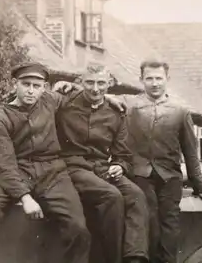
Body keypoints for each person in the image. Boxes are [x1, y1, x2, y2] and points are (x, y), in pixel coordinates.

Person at [54, 58, 202, 263]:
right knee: (147, 219)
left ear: (167, 79)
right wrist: (72, 86)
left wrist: (200, 186)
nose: (155, 83)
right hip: (139, 173)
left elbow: (191, 152)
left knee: (170, 227)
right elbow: (97, 91)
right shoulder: (129, 103)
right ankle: (135, 258)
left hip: (169, 176)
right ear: (141, 80)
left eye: (159, 78)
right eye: (149, 78)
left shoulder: (180, 111)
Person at [0, 62, 92, 263]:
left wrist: (72, 85)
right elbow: (4, 163)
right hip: (16, 171)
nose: (31, 91)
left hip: (52, 172)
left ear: (44, 87)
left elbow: (86, 94)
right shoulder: (0, 116)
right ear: (14, 84)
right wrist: (25, 198)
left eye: (37, 86)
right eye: (25, 84)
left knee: (78, 227)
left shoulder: (50, 100)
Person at [54, 63, 149, 263]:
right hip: (72, 165)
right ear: (80, 81)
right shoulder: (65, 102)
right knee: (111, 196)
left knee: (136, 195)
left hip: (102, 168)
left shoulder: (116, 112)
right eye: (89, 82)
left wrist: (119, 166)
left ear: (110, 84)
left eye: (101, 83)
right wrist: (61, 84)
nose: (95, 88)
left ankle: (134, 257)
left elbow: (122, 153)